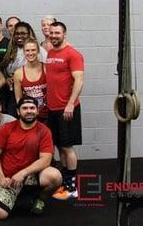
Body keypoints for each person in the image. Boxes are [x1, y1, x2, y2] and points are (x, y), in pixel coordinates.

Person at [0, 96, 62, 219]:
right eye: (25, 108)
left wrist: (23, 173)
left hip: (30, 175)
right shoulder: (6, 128)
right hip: (8, 178)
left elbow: (46, 160)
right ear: (18, 111)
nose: (29, 111)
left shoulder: (44, 131)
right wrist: (1, 178)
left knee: (55, 176)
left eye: (32, 108)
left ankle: (40, 199)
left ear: (37, 111)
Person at [46, 21, 84, 200]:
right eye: (51, 33)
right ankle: (65, 183)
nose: (54, 36)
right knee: (60, 146)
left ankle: (72, 187)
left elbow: (79, 80)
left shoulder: (73, 54)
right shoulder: (51, 52)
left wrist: (70, 104)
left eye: (57, 33)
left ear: (64, 34)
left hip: (66, 108)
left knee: (67, 147)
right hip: (53, 108)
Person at [0, 22, 46, 116]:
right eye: (17, 33)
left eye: (23, 33)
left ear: (29, 34)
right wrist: (6, 78)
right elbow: (1, 68)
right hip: (15, 92)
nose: (19, 36)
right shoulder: (11, 50)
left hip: (35, 92)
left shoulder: (40, 50)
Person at [13, 39, 48, 122]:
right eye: (27, 50)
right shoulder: (18, 73)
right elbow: (18, 98)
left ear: (38, 51)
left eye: (33, 50)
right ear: (24, 52)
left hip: (47, 114)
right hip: (30, 116)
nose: (30, 53)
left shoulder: (46, 68)